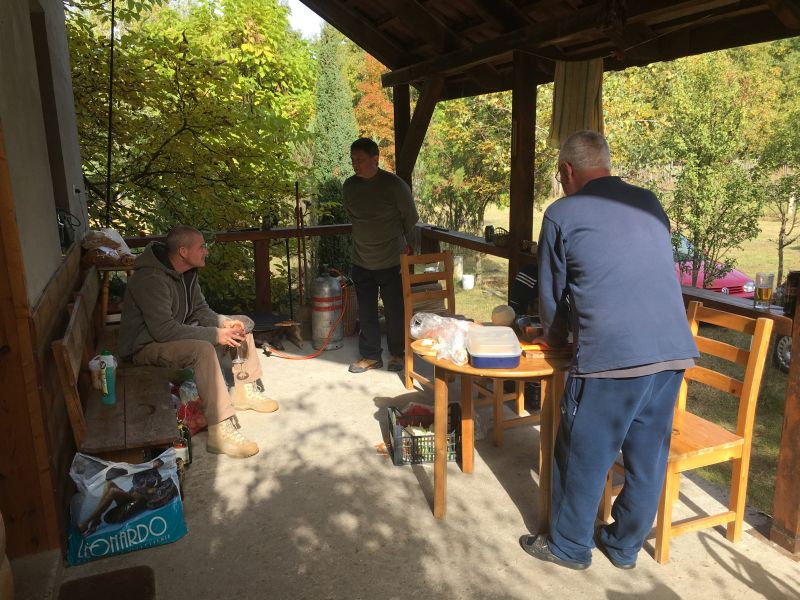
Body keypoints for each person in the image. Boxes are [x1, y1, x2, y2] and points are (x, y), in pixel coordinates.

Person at [519, 131, 698, 570]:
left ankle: (568, 546)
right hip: (672, 352)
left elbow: (552, 293)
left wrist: (554, 339)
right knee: (646, 458)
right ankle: (623, 546)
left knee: (582, 452)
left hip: (611, 357)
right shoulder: (649, 202)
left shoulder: (561, 213)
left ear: (567, 170)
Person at [118, 225, 279, 459]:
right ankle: (220, 431)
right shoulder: (150, 278)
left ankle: (245, 391)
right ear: (183, 251)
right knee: (202, 349)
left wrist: (226, 324)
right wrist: (215, 334)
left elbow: (201, 310)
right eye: (201, 247)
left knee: (241, 325)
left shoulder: (187, 272)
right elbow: (163, 330)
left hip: (169, 335)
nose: (206, 251)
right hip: (144, 346)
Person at [343, 137, 419, 373]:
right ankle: (371, 356)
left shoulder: (394, 186)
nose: (355, 164)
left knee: (395, 311)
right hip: (361, 260)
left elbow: (410, 219)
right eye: (353, 160)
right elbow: (353, 216)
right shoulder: (349, 186)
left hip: (391, 260)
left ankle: (397, 353)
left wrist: (404, 249)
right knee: (366, 312)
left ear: (375, 159)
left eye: (360, 159)